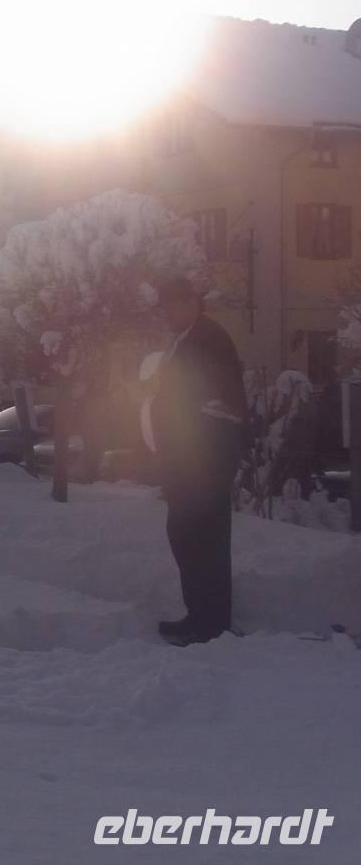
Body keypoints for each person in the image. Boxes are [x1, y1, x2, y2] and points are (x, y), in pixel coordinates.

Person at [151, 276, 246, 646]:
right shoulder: (188, 338)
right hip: (187, 462)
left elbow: (217, 400)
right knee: (187, 538)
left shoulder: (209, 339)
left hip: (205, 462)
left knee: (205, 541)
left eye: (173, 305)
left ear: (192, 303)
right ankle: (199, 616)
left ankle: (212, 624)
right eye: (165, 307)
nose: (167, 313)